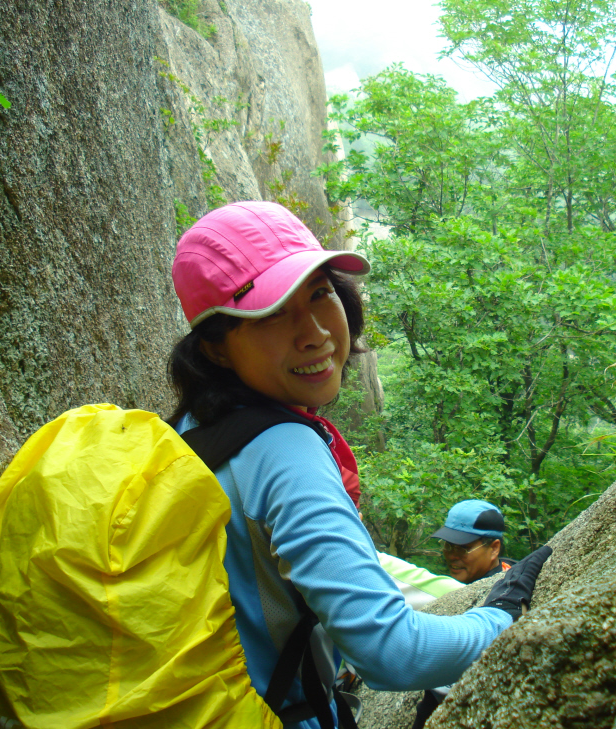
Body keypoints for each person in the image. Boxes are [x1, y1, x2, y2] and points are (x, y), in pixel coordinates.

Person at [167, 201, 550, 729]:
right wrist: (498, 617)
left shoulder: (191, 431)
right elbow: (394, 652)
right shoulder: (283, 451)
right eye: (271, 313)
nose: (315, 333)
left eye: (320, 294)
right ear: (215, 348)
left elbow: (324, 560)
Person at [432, 499, 515, 584]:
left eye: (463, 548)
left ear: (494, 549)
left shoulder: (510, 591)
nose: (452, 556)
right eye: (447, 546)